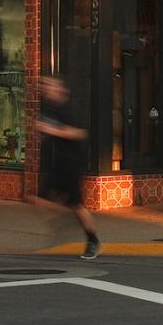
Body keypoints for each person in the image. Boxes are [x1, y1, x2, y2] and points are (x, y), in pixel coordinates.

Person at [26, 73, 101, 259]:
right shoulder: (48, 107)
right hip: (56, 163)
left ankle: (92, 241)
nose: (46, 89)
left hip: (71, 164)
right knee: (36, 199)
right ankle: (69, 219)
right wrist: (39, 132)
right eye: (44, 86)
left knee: (77, 205)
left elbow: (80, 133)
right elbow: (42, 129)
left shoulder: (69, 109)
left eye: (50, 85)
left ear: (60, 88)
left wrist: (53, 130)